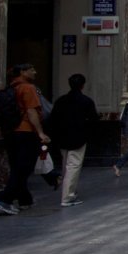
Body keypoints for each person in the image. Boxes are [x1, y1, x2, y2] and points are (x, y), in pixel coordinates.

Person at [0, 63, 50, 215]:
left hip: (11, 132)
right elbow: (31, 112)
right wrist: (40, 133)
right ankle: (5, 199)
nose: (35, 72)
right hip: (26, 131)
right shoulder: (28, 88)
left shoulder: (11, 87)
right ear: (23, 72)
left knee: (17, 166)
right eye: (31, 69)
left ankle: (25, 199)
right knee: (24, 168)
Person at [47, 73, 98, 207]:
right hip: (78, 138)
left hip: (62, 137)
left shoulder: (61, 101)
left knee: (66, 165)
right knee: (73, 166)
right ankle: (68, 196)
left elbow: (53, 119)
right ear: (82, 85)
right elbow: (93, 120)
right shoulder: (86, 101)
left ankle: (68, 192)